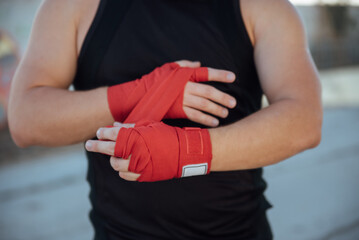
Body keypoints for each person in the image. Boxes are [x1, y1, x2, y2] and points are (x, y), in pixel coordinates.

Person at [8, 0, 322, 239]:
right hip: (119, 232)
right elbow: (26, 119)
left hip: (238, 229)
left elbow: (304, 118)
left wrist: (183, 152)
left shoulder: (262, 6)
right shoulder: (74, 6)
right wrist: (137, 94)